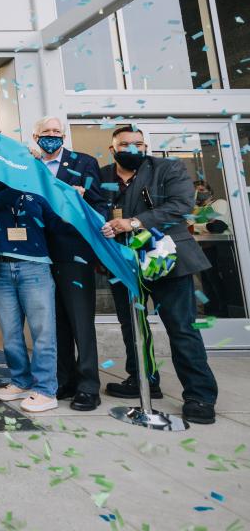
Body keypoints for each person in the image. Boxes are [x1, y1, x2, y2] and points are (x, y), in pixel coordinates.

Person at [100, 126, 218, 425]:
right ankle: (142, 379)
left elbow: (180, 205)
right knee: (133, 327)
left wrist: (135, 222)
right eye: (124, 144)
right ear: (113, 149)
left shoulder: (168, 168)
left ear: (145, 145)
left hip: (167, 261)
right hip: (123, 264)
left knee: (181, 328)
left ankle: (199, 394)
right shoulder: (101, 176)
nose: (132, 148)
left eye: (138, 143)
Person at [29, 116, 105, 412]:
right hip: (39, 253)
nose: (51, 136)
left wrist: (82, 201)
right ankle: (64, 379)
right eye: (45, 132)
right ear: (35, 137)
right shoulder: (30, 166)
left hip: (74, 254)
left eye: (56, 132)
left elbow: (101, 205)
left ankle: (88, 385)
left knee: (80, 321)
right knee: (54, 322)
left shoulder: (84, 163)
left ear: (64, 135)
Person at [0, 185, 62, 413]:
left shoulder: (40, 191)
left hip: (35, 268)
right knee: (10, 332)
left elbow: (56, 225)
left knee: (43, 331)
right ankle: (20, 381)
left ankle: (46, 390)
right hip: (1, 269)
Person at [191, 180, 237, 318]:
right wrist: (204, 225)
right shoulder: (195, 210)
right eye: (196, 191)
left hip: (221, 248)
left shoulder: (219, 204)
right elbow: (188, 227)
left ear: (210, 192)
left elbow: (217, 226)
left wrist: (196, 226)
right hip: (204, 249)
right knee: (208, 283)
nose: (199, 194)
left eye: (202, 190)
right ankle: (212, 312)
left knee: (218, 281)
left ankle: (224, 313)